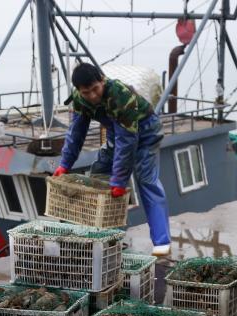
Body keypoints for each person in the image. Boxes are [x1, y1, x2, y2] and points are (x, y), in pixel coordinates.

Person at [53, 63, 171, 256]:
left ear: (102, 80)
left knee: (146, 180)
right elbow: (76, 133)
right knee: (99, 170)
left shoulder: (119, 95)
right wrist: (65, 164)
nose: (92, 95)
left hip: (146, 131)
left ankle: (161, 241)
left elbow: (127, 143)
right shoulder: (79, 100)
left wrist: (119, 181)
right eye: (86, 92)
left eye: (95, 89)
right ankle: (106, 231)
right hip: (117, 132)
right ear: (78, 91)